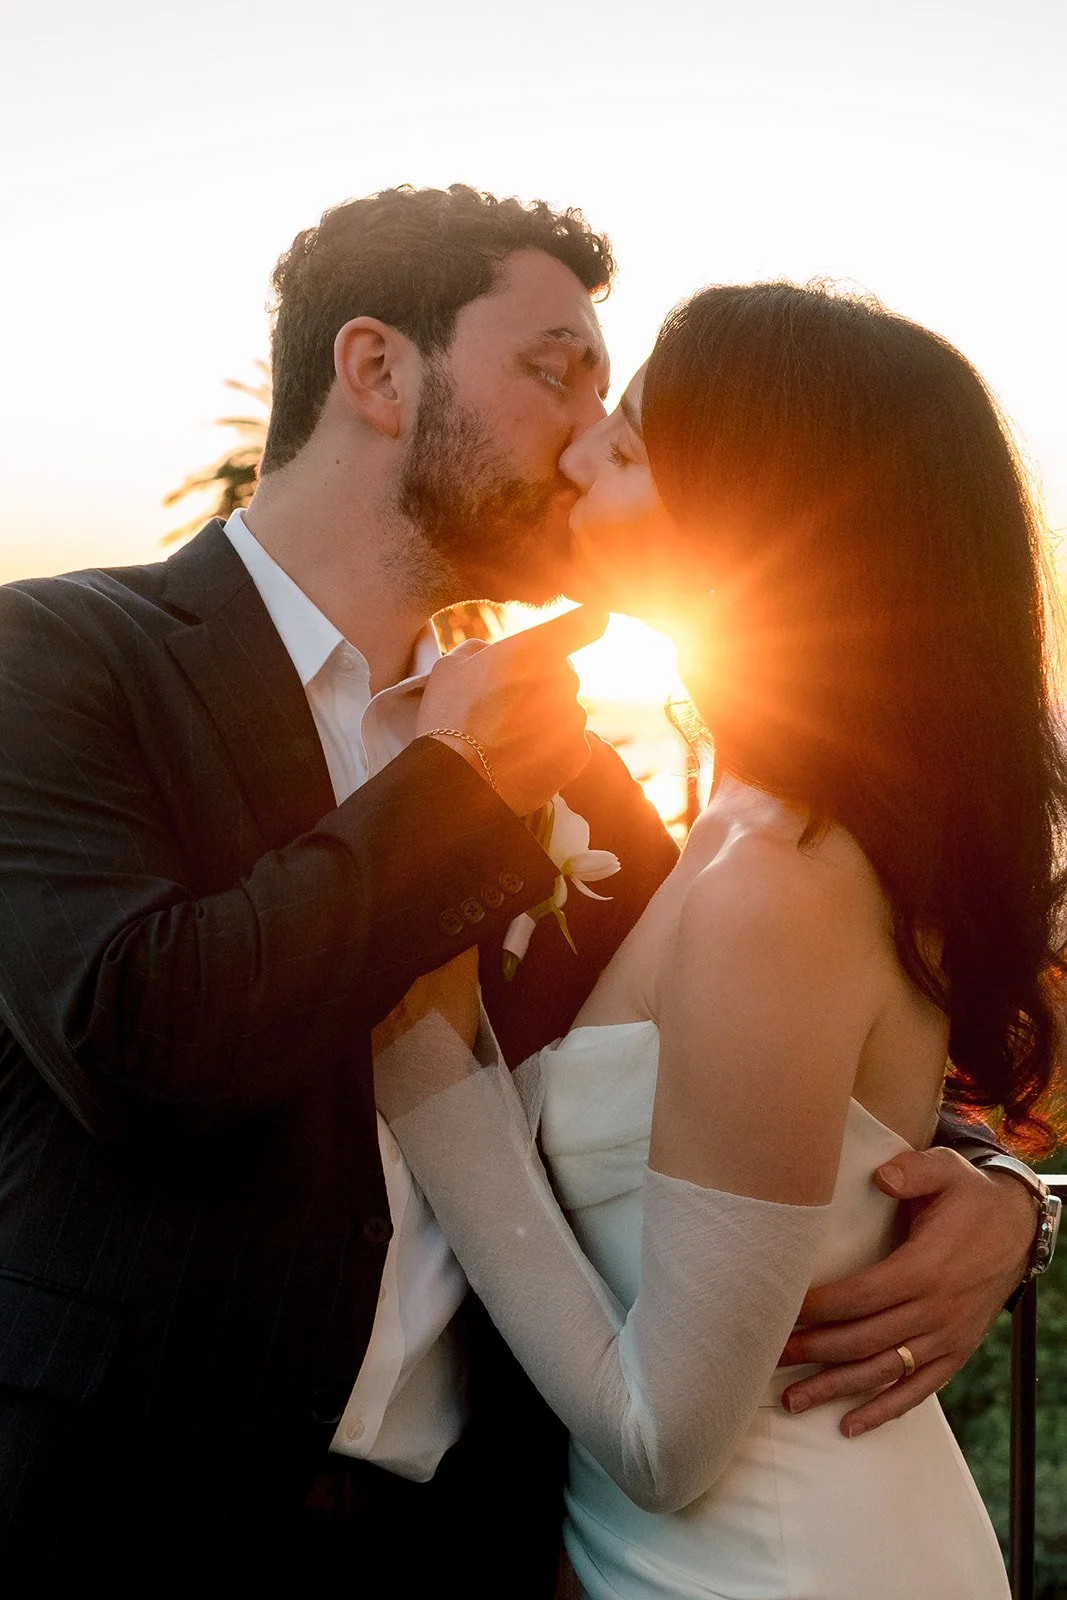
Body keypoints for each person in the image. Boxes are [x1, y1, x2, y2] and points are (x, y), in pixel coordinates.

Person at [0, 186, 1042, 1589]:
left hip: (473, 1550)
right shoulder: (62, 659)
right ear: (376, 371)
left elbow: (753, 1044)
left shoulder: (576, 764)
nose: (584, 436)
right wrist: (452, 792)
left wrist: (986, 1189)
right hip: (127, 1516)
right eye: (553, 373)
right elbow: (138, 1040)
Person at [370, 282, 1066, 1598]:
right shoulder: (740, 830)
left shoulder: (779, 883)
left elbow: (662, 1441)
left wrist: (423, 1065)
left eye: (625, 446)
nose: (578, 457)